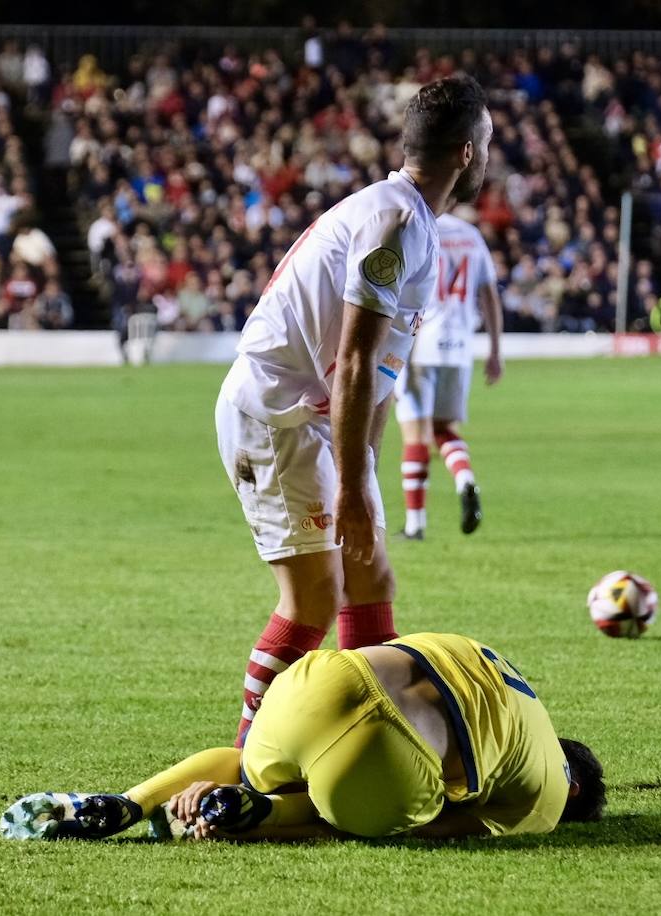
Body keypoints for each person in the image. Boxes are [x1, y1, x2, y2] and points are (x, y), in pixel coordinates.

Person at [214, 76, 492, 744]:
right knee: (313, 597)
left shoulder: (410, 219)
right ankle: (250, 760)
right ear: (464, 153)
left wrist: (360, 471)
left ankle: (374, 743)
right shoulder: (394, 223)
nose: (490, 156)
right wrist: (355, 490)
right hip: (279, 417)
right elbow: (358, 360)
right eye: (487, 143)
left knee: (371, 579)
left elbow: (377, 374)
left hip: (316, 418)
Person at [0, 633, 604, 841]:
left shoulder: (499, 664)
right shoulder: (549, 801)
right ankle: (257, 816)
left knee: (244, 762)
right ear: (575, 788)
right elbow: (435, 829)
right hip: (383, 761)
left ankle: (130, 800)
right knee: (389, 812)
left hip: (315, 684)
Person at [396, 210, 503, 540]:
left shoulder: (419, 229)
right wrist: (495, 351)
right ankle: (464, 478)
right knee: (443, 428)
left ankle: (415, 524)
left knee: (415, 433)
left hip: (420, 345)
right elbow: (489, 294)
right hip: (459, 347)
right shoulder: (471, 235)